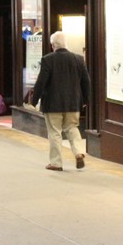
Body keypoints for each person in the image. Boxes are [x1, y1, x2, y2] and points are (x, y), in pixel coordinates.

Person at [32, 31, 91, 171]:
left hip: (52, 104)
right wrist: (85, 99)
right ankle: (79, 153)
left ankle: (56, 163)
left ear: (53, 45)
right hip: (73, 103)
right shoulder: (78, 59)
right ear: (66, 44)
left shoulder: (48, 59)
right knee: (72, 128)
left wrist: (34, 100)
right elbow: (86, 82)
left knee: (54, 132)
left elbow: (41, 82)